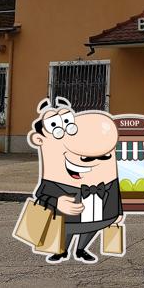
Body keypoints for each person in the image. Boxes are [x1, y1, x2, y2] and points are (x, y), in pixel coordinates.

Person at [27, 97, 124, 264]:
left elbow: (114, 191)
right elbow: (42, 193)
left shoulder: (106, 178)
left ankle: (81, 249)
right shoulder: (54, 180)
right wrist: (57, 202)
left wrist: (118, 212)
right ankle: (61, 250)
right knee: (68, 228)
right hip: (68, 216)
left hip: (97, 213)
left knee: (92, 227)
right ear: (39, 139)